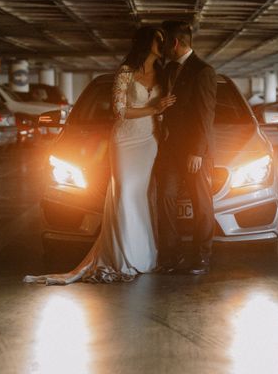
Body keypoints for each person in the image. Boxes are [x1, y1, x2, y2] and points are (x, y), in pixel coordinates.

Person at [23, 26, 176, 285]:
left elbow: (166, 111)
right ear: (145, 42)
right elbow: (119, 111)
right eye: (157, 38)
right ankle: (122, 257)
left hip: (150, 141)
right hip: (126, 139)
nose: (162, 42)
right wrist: (153, 108)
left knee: (142, 196)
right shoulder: (125, 72)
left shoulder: (163, 74)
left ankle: (144, 257)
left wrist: (161, 121)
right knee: (125, 191)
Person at [157, 20, 217, 275]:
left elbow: (205, 114)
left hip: (193, 151)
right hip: (169, 147)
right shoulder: (168, 68)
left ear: (175, 43)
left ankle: (201, 255)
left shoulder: (203, 71)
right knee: (166, 197)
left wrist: (197, 151)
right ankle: (171, 253)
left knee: (200, 201)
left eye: (164, 44)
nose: (162, 49)